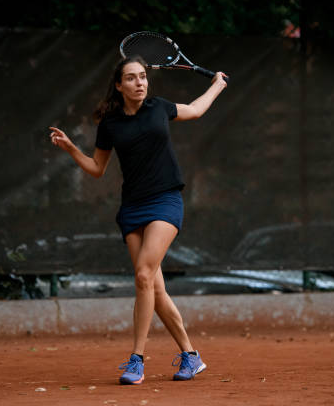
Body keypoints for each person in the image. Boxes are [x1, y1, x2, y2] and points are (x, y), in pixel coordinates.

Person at [48, 55, 227, 384]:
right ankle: (191, 356)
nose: (140, 82)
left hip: (166, 201)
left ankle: (136, 359)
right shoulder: (110, 125)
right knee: (154, 288)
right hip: (132, 208)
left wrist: (216, 85)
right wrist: (72, 148)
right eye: (131, 78)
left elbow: (195, 109)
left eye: (143, 76)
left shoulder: (158, 107)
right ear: (119, 86)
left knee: (143, 275)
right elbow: (97, 170)